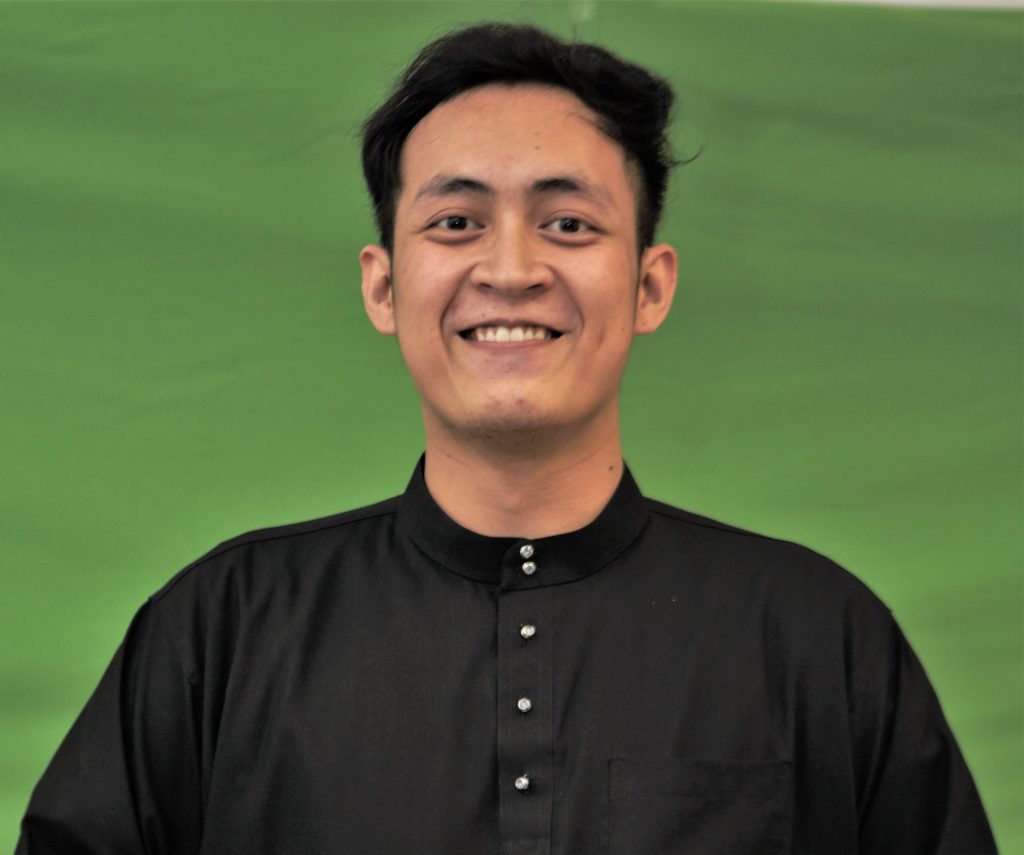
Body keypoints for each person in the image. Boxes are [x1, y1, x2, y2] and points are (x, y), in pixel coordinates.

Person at [17, 22, 996, 855]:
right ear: (383, 286)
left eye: (568, 223)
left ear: (650, 284)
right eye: (456, 222)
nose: (512, 269)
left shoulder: (817, 636)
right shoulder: (221, 631)